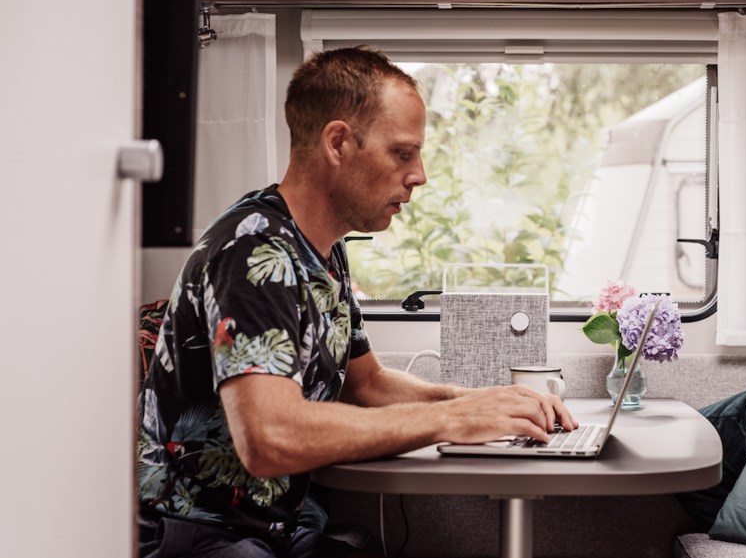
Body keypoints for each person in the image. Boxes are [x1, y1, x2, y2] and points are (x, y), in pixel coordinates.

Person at [137, 47, 576, 558]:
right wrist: (452, 421)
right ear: (338, 143)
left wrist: (478, 400)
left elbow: (366, 384)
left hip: (273, 528)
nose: (420, 175)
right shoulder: (254, 251)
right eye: (402, 153)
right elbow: (269, 437)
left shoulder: (325, 252)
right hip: (200, 536)